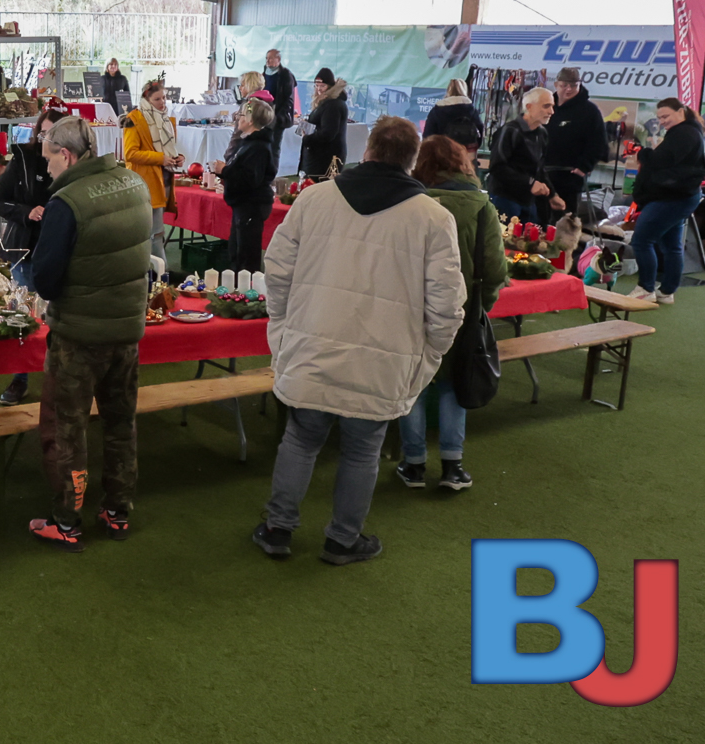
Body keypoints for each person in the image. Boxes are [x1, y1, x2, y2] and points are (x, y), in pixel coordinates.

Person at [253, 116, 464, 565]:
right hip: (384, 359)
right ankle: (343, 539)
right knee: (362, 448)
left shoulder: (314, 200)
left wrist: (283, 326)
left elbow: (277, 270)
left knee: (301, 438)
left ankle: (277, 528)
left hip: (312, 343)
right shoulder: (433, 219)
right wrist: (430, 353)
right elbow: (446, 304)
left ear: (367, 151)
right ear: (413, 160)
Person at [28, 116, 153, 551]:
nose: (45, 170)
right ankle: (118, 509)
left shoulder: (68, 202)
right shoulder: (133, 184)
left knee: (70, 428)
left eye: (47, 160)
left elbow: (45, 279)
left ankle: (67, 519)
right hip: (127, 328)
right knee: (121, 421)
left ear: (66, 155)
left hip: (79, 334)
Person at [397, 135, 508, 493]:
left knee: (415, 382)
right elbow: (494, 268)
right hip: (460, 307)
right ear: (462, 163)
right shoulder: (481, 206)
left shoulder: (407, 203)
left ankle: (413, 465)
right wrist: (481, 304)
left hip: (412, 305)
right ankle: (452, 465)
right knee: (453, 383)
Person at [0, 107, 64, 407]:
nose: (47, 139)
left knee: (58, 317)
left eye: (54, 135)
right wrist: (26, 212)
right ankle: (20, 379)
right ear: (36, 132)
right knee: (25, 316)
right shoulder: (22, 158)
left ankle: (58, 379)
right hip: (25, 249)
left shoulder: (71, 163)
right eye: (43, 133)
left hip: (59, 248)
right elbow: (0, 201)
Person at [628, 98, 705, 304]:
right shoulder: (689, 132)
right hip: (681, 196)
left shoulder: (684, 134)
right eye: (659, 117)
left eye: (665, 116)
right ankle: (667, 291)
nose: (662, 121)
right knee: (671, 245)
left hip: (671, 197)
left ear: (681, 112)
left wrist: (643, 153)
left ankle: (646, 287)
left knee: (642, 240)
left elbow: (659, 162)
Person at [212, 97, 277, 274]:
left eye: (241, 114)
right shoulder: (248, 142)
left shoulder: (258, 147)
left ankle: (248, 291)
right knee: (237, 250)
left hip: (252, 205)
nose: (238, 117)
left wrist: (225, 170)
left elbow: (250, 179)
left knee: (247, 255)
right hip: (244, 205)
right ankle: (239, 289)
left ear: (249, 121)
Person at [122, 78, 183, 264]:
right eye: (157, 99)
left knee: (156, 233)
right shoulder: (134, 119)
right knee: (151, 234)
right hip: (143, 184)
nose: (162, 102)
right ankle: (158, 275)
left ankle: (156, 274)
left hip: (162, 180)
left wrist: (177, 158)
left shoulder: (166, 120)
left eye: (164, 98)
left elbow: (168, 149)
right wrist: (160, 158)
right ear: (146, 100)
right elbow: (130, 154)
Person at [543, 68, 608, 221]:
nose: (569, 89)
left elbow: (599, 143)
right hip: (542, 176)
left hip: (569, 179)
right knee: (537, 223)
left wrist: (585, 166)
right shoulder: (546, 106)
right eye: (564, 85)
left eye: (574, 85)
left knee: (565, 223)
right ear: (556, 84)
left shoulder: (590, 111)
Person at [488, 87, 560, 222]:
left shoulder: (542, 133)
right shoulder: (510, 131)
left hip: (528, 201)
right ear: (529, 107)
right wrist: (530, 183)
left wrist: (552, 194)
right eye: (546, 106)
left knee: (529, 242)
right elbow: (497, 167)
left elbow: (540, 168)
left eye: (552, 106)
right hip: (505, 198)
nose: (551, 111)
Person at [298, 68, 348, 178]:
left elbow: (328, 133)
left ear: (330, 86)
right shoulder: (326, 103)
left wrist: (307, 138)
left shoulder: (332, 105)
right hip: (320, 154)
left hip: (325, 157)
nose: (319, 89)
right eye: (317, 86)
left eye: (322, 86)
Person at [422, 77, 483, 151]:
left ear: (448, 90)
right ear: (465, 90)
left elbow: (428, 136)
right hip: (466, 153)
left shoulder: (437, 111)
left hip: (442, 153)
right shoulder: (472, 111)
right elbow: (479, 133)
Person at [263, 49, 297, 159]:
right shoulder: (264, 74)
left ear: (279, 59)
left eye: (271, 58)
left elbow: (289, 99)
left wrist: (278, 116)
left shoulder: (286, 75)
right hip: (263, 116)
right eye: (267, 58)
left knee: (274, 147)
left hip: (277, 117)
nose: (268, 61)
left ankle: (272, 172)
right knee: (263, 146)